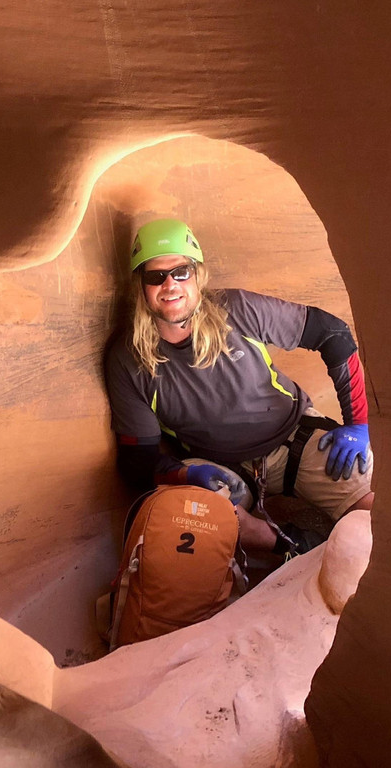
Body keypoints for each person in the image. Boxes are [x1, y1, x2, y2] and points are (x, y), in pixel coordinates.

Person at [104, 218, 374, 557]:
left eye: (181, 272)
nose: (170, 284)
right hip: (221, 465)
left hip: (292, 437)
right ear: (140, 286)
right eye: (155, 276)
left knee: (374, 508)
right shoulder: (129, 360)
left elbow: (332, 334)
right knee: (200, 515)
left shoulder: (238, 310)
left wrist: (359, 424)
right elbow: (137, 463)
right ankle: (292, 546)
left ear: (197, 275)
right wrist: (186, 472)